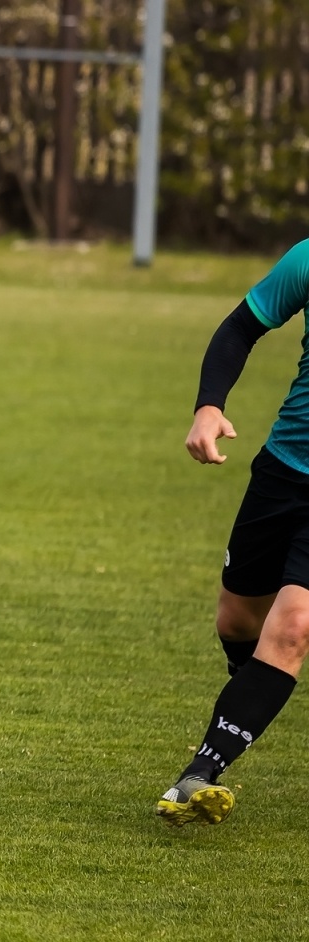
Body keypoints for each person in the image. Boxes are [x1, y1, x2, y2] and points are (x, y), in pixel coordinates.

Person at [162, 239, 309, 826]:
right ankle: (255, 693)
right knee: (237, 621)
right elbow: (238, 329)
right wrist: (208, 406)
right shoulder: (305, 258)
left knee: (292, 624)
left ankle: (199, 772)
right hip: (283, 468)